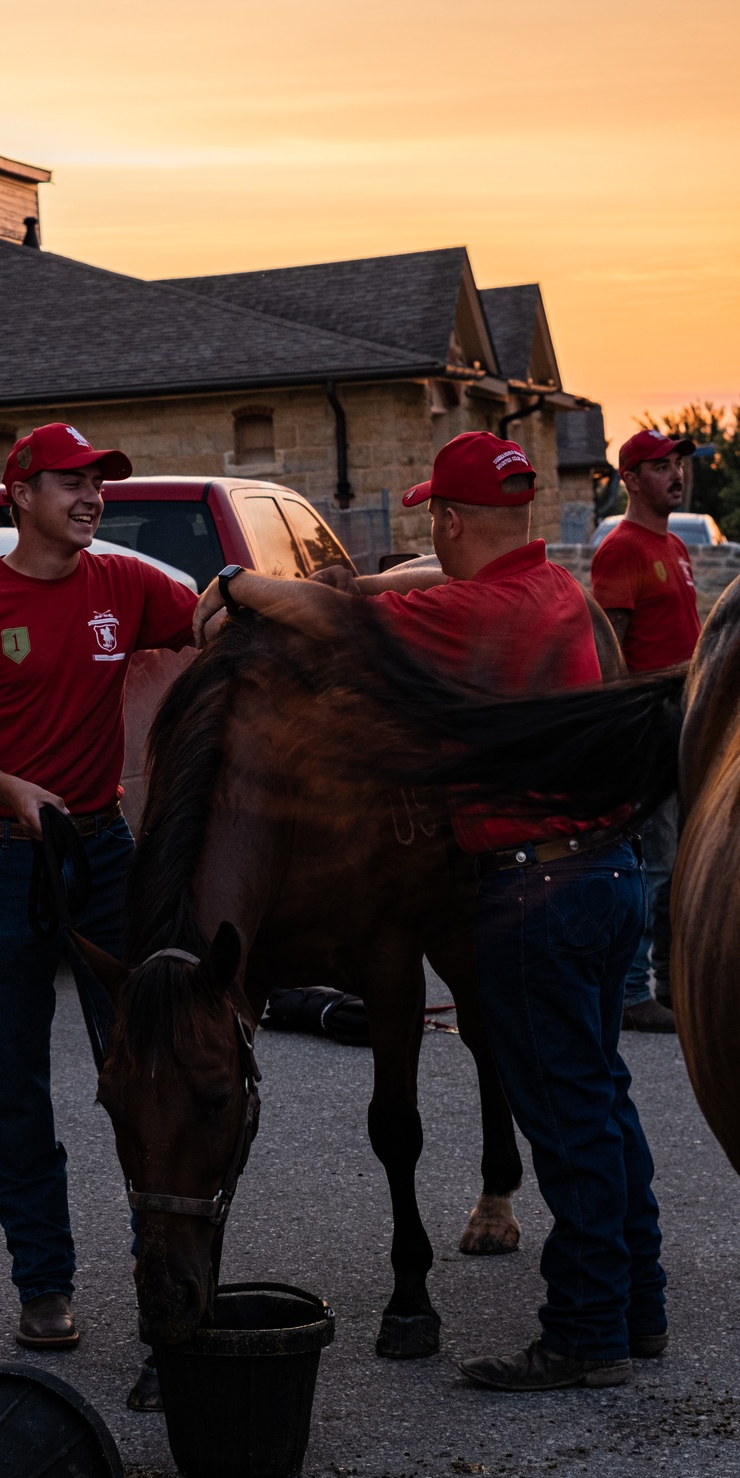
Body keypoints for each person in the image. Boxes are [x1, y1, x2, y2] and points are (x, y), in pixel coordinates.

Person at [194, 431, 666, 1392]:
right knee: (607, 1102)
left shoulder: (464, 614)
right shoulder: (552, 592)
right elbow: (406, 587)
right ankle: (638, 1306)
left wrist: (239, 586)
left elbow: (324, 618)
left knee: (569, 1122)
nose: (432, 543)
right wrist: (373, 586)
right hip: (609, 875)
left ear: (451, 520)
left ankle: (586, 1334)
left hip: (536, 892)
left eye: (434, 524)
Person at [0, 422, 195, 1351]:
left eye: (98, 484)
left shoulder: (124, 582)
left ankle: (158, 1273)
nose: (92, 498)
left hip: (102, 850)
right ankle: (44, 1284)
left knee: (143, 1064)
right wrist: (15, 790)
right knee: (16, 1083)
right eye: (72, 483)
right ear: (22, 495)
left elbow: (205, 616)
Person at [592, 428, 700, 1034]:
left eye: (677, 464)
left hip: (685, 718)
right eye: (660, 467)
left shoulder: (675, 548)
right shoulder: (623, 548)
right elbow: (611, 652)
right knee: (652, 863)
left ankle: (671, 984)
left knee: (680, 861)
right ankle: (634, 992)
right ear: (630, 480)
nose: (675, 474)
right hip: (649, 725)